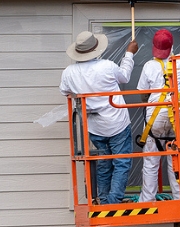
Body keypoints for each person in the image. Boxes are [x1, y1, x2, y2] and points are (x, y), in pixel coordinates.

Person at [59, 31, 138, 205]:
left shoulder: (68, 72)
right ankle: (113, 201)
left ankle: (104, 199)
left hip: (93, 125)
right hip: (116, 122)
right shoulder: (106, 66)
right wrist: (129, 54)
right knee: (122, 163)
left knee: (103, 162)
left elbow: (64, 91)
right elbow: (125, 76)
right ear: (96, 48)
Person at [137, 29, 180, 202]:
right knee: (177, 159)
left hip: (155, 118)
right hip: (178, 117)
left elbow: (143, 95)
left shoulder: (149, 66)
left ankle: (147, 200)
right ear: (171, 46)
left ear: (154, 47)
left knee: (151, 161)